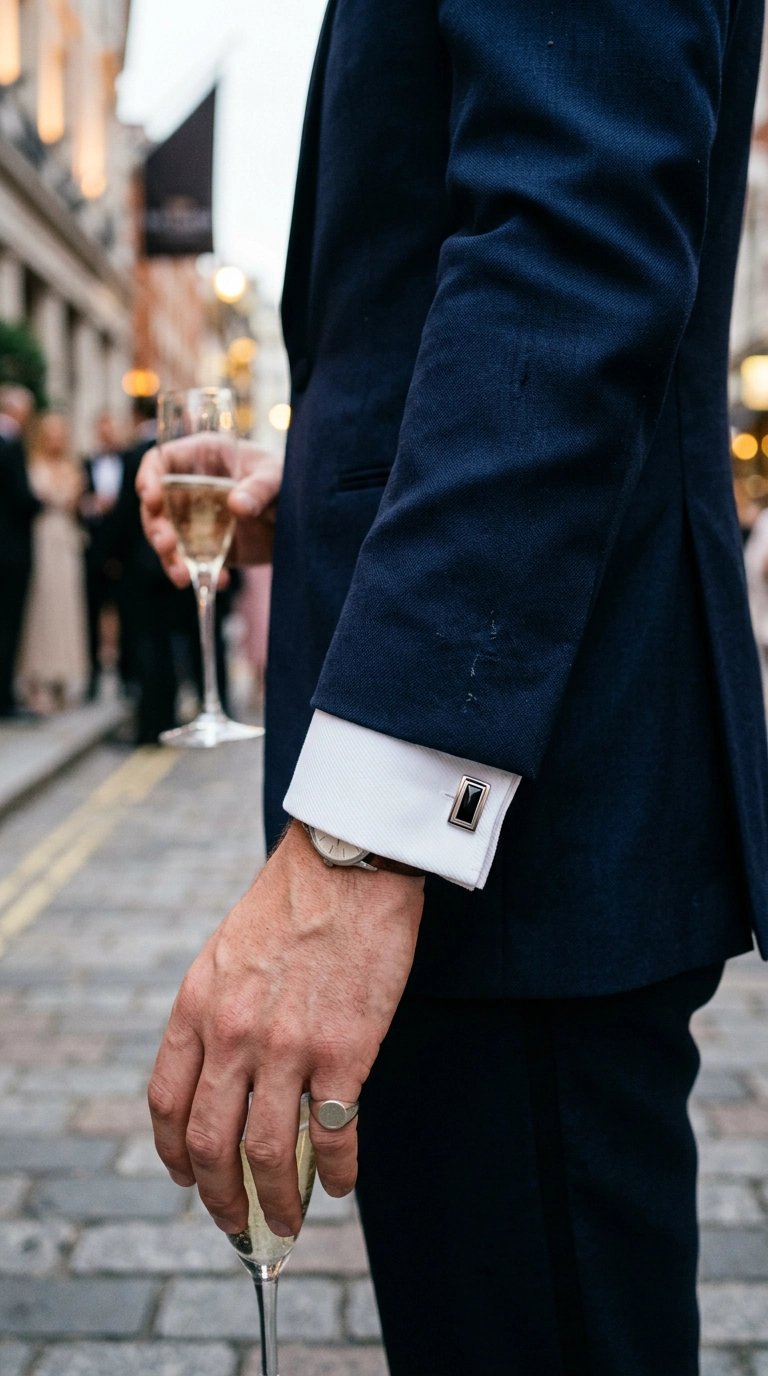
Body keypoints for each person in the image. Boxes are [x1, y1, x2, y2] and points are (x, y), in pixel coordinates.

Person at [139, 1, 768, 1370]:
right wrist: (310, 489)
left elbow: (571, 255)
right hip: (521, 814)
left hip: (530, 829)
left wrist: (359, 843)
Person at [17, 413, 89, 712]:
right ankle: (36, 676)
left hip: (65, 542)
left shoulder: (73, 468)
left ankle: (63, 675)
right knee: (41, 608)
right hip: (40, 541)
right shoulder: (31, 465)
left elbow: (75, 505)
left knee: (66, 608)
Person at [0, 386, 40, 718]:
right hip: (11, 554)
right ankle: (5, 699)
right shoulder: (11, 444)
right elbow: (22, 498)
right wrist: (44, 502)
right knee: (8, 626)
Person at [80, 412, 125, 697]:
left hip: (122, 550)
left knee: (125, 612)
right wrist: (90, 506)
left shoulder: (128, 461)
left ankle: (126, 676)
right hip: (92, 549)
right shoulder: (85, 464)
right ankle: (93, 674)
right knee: (91, 610)